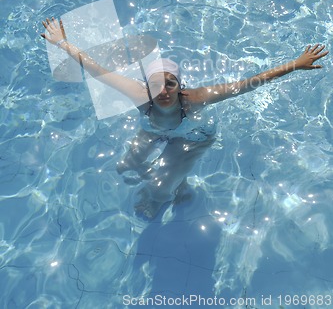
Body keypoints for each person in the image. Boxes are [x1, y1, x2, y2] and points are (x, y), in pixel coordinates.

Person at [41, 17, 329, 218]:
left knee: (158, 187)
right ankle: (176, 180)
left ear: (180, 86)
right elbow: (98, 70)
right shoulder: (140, 95)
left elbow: (249, 83)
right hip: (155, 129)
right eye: (156, 84)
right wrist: (63, 43)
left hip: (192, 137)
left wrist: (295, 64)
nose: (163, 90)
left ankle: (171, 188)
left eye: (170, 84)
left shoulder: (197, 99)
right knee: (126, 165)